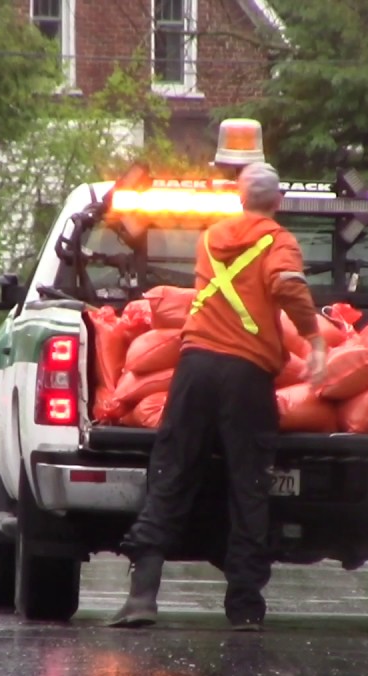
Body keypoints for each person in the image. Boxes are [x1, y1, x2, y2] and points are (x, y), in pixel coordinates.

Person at [108, 162, 328, 632]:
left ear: (239, 198)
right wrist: (316, 339)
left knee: (170, 472)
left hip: (194, 368)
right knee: (248, 483)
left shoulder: (211, 237)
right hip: (246, 373)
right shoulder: (278, 239)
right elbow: (287, 285)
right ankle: (244, 607)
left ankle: (141, 597)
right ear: (279, 201)